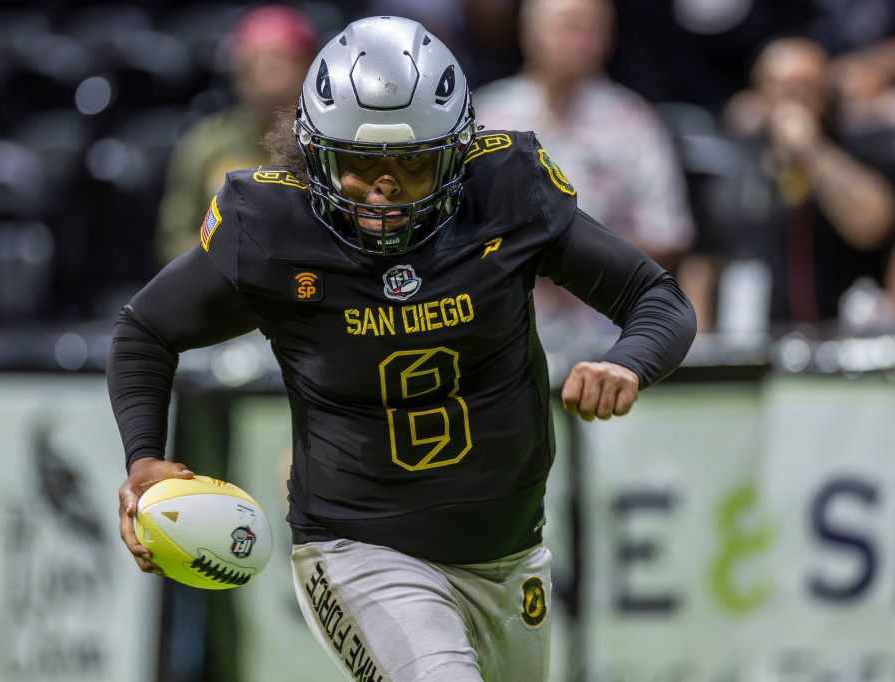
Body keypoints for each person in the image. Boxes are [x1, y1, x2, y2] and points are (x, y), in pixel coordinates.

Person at [109, 16, 695, 682]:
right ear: (315, 153)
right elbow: (145, 330)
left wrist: (628, 361)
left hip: (511, 552)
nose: (383, 188)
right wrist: (143, 457)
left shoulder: (505, 189)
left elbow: (658, 298)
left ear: (455, 152)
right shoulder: (269, 225)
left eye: (412, 162)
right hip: (359, 548)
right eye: (360, 164)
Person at [471, 0, 697, 328]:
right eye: (567, 26)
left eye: (591, 28)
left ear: (608, 38)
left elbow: (668, 236)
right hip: (500, 323)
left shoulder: (635, 122)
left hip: (605, 324)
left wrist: (569, 256)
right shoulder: (485, 117)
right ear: (527, 32)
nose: (577, 40)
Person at [706, 37, 895, 331]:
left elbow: (873, 226)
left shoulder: (862, 150)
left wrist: (811, 150)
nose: (793, 98)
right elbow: (706, 257)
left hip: (844, 336)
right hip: (756, 336)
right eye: (781, 87)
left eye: (806, 86)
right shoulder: (738, 162)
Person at [154, 4, 319, 265]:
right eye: (254, 63)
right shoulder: (207, 142)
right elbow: (176, 236)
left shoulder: (326, 145)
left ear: (307, 69)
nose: (267, 75)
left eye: (280, 63)